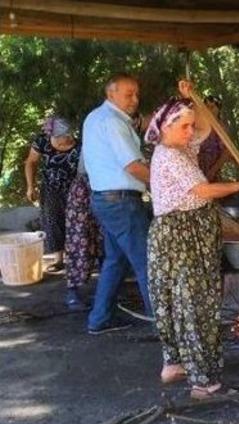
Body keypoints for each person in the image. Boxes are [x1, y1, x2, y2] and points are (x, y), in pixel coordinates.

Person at [146, 80, 239, 399]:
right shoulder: (170, 156)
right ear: (166, 127)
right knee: (195, 304)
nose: (191, 131)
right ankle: (204, 382)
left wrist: (192, 98)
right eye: (184, 127)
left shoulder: (181, 146)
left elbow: (206, 127)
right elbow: (203, 190)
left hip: (177, 231)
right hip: (182, 235)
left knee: (173, 301)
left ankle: (174, 364)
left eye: (190, 126)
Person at [81, 73, 152, 335]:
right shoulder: (112, 121)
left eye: (136, 94)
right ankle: (164, 327)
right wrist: (167, 183)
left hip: (106, 200)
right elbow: (133, 166)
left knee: (116, 261)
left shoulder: (95, 117)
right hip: (121, 202)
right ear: (111, 94)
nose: (135, 99)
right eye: (128, 94)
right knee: (147, 261)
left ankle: (99, 319)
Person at [24, 116, 80, 273]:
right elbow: (31, 162)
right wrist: (31, 186)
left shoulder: (80, 145)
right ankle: (58, 260)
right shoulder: (42, 141)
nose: (66, 140)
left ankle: (78, 258)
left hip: (75, 189)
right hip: (50, 188)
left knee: (76, 221)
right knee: (52, 221)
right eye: (61, 137)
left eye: (68, 136)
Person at [63, 157, 103, 310]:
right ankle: (73, 293)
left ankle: (106, 290)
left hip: (102, 185)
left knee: (105, 241)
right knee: (80, 239)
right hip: (87, 187)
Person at [197, 95, 231, 182]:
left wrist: (213, 171)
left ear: (218, 109)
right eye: (206, 107)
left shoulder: (222, 128)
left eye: (212, 107)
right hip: (195, 168)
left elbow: (227, 152)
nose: (208, 110)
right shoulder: (198, 124)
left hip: (212, 170)